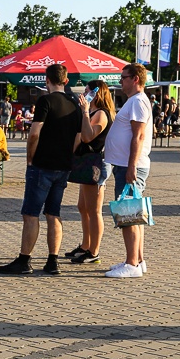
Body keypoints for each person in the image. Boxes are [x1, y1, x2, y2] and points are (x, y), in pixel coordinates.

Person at [0, 64, 81, 276]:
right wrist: (68, 156)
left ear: (47, 79)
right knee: (54, 213)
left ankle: (25, 260)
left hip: (42, 164)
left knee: (31, 214)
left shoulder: (45, 101)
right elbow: (78, 137)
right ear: (66, 80)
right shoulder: (74, 103)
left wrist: (30, 159)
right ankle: (53, 261)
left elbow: (34, 133)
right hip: (63, 166)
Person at [103, 63, 153, 278]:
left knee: (128, 214)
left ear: (135, 79)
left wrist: (131, 165)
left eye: (123, 77)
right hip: (125, 165)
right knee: (133, 213)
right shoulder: (134, 102)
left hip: (130, 166)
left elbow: (139, 136)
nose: (120, 81)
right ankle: (137, 259)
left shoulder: (138, 101)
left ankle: (132, 264)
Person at [65, 80, 115, 265]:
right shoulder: (91, 112)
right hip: (85, 161)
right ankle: (86, 245)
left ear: (97, 93)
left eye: (88, 92)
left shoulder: (101, 114)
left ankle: (94, 251)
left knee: (94, 210)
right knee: (82, 206)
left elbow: (87, 136)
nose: (84, 95)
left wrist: (85, 111)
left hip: (96, 163)